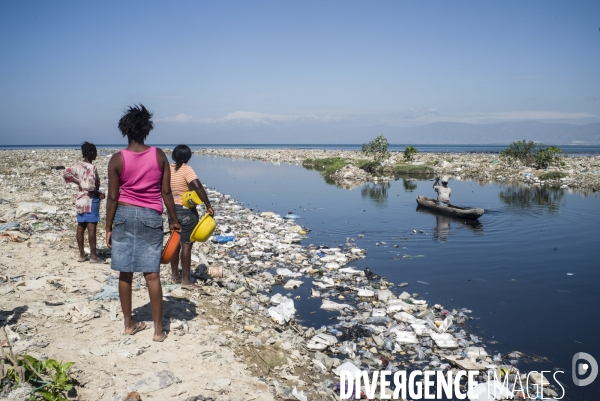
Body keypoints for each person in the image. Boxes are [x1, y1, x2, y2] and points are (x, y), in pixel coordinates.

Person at [105, 104, 181, 342]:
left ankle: (129, 324)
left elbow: (113, 197)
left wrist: (107, 227)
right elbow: (166, 193)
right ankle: (158, 331)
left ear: (125, 131)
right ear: (147, 130)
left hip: (124, 216)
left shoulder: (117, 160)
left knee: (125, 274)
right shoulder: (158, 156)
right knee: (152, 275)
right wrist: (174, 221)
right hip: (151, 217)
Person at [168, 145, 214, 289]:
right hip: (186, 211)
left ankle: (175, 275)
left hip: (172, 211)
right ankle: (186, 281)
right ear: (188, 157)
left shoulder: (168, 169)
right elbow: (197, 186)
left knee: (174, 243)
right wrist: (208, 205)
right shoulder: (186, 169)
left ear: (174, 155)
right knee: (186, 245)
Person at [63, 142, 106, 263]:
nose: (96, 154)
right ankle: (93, 257)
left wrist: (78, 182)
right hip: (91, 200)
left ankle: (81, 255)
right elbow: (91, 187)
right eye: (95, 152)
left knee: (81, 226)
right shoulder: (91, 168)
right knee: (92, 228)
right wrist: (100, 194)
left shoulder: (77, 165)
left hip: (80, 199)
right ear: (92, 153)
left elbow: (65, 174)